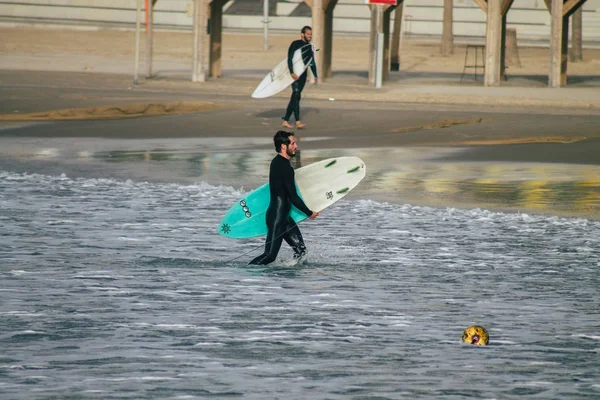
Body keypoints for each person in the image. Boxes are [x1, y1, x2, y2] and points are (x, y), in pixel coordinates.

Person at [249, 131, 319, 265]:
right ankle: (248, 272)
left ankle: (291, 278)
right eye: (293, 143)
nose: (296, 146)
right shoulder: (284, 167)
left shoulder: (277, 162)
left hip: (284, 217)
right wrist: (309, 213)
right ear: (283, 146)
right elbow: (293, 197)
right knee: (269, 256)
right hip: (277, 218)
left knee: (301, 252)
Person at [282, 26, 318, 130]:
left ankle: (286, 120)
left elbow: (312, 63)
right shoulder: (295, 44)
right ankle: (298, 122)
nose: (310, 36)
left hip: (303, 75)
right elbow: (290, 59)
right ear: (302, 34)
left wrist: (315, 75)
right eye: (308, 34)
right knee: (296, 95)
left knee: (296, 97)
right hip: (295, 75)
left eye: (310, 34)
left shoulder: (310, 47)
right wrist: (292, 72)